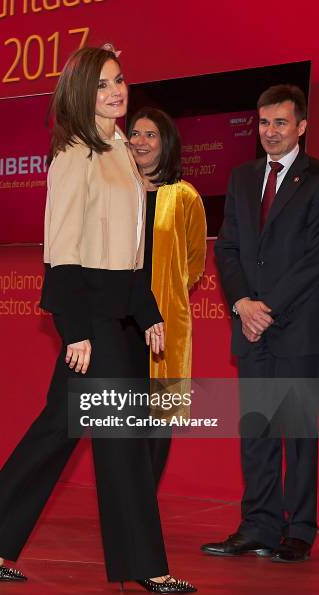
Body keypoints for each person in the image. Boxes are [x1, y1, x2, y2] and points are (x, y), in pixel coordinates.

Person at [0, 46, 196, 595]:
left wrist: (149, 311)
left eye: (121, 80)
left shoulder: (120, 150)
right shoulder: (74, 156)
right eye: (104, 84)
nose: (117, 91)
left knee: (58, 430)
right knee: (123, 439)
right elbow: (62, 254)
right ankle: (145, 564)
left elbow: (130, 251)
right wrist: (77, 331)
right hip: (92, 318)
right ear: (82, 91)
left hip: (122, 314)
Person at [202, 84, 319, 563]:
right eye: (263, 122)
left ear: (302, 127)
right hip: (250, 324)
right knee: (258, 432)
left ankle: (301, 529)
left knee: (300, 434)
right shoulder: (242, 177)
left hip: (298, 326)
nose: (269, 132)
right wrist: (243, 304)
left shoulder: (315, 180)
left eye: (280, 123)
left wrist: (264, 308)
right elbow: (227, 248)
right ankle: (259, 527)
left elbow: (314, 259)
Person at [126, 107, 207, 482]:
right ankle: (126, 503)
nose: (140, 141)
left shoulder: (185, 195)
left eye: (150, 135)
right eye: (135, 133)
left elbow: (194, 264)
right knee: (120, 413)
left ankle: (146, 503)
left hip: (164, 321)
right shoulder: (117, 191)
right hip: (119, 321)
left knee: (159, 413)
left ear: (166, 143)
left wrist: (165, 293)